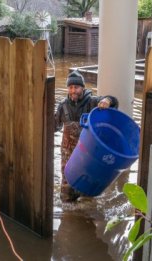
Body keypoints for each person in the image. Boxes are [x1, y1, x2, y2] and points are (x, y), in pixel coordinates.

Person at [55, 70, 118, 202]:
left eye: (76, 87)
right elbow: (54, 127)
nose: (73, 91)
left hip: (89, 155)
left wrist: (108, 100)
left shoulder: (93, 103)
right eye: (70, 87)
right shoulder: (63, 106)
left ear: (82, 88)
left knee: (87, 196)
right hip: (68, 156)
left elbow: (114, 102)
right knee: (66, 195)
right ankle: (68, 214)